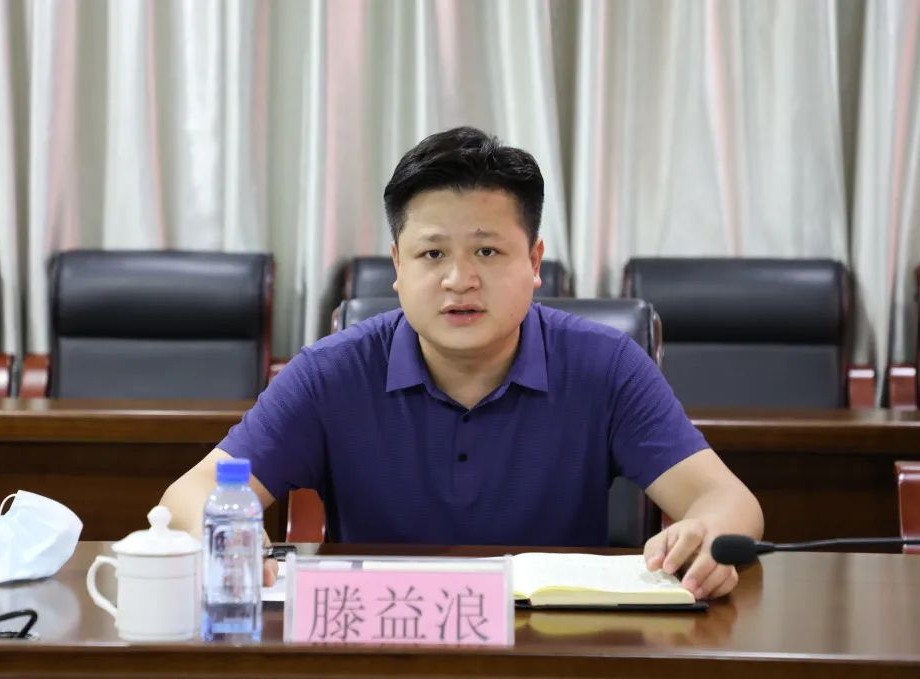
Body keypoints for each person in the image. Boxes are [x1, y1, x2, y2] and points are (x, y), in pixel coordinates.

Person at [160, 126, 763, 599]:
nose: (459, 279)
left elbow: (728, 501)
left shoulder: (605, 366)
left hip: (554, 650)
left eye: (487, 251)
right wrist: (227, 538)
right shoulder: (332, 373)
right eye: (432, 254)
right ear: (397, 266)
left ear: (534, 262)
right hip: (382, 641)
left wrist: (707, 535)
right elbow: (192, 492)